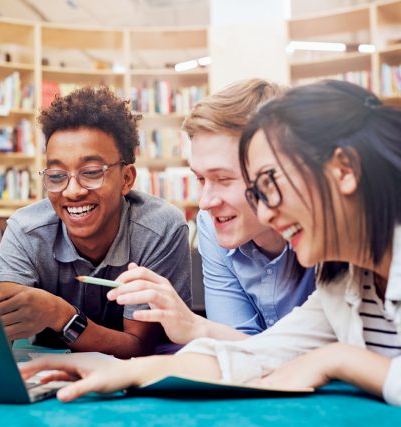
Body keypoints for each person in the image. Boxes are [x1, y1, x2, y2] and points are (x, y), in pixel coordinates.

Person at [20, 80, 401, 407]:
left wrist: (339, 360)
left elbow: (309, 358)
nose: (266, 212)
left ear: (344, 170)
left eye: (270, 184)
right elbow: (257, 355)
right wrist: (123, 371)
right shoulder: (342, 283)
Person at [106, 79, 315, 346]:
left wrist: (196, 327)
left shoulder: (325, 235)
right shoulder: (211, 223)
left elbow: (332, 353)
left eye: (224, 179)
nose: (204, 203)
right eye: (201, 179)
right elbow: (239, 348)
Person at [0, 86, 192, 358]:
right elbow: (1, 327)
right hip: (53, 380)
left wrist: (59, 314)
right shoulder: (26, 230)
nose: (72, 191)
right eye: (56, 175)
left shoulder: (160, 230)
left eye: (91, 172)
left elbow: (139, 347)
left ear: (126, 179)